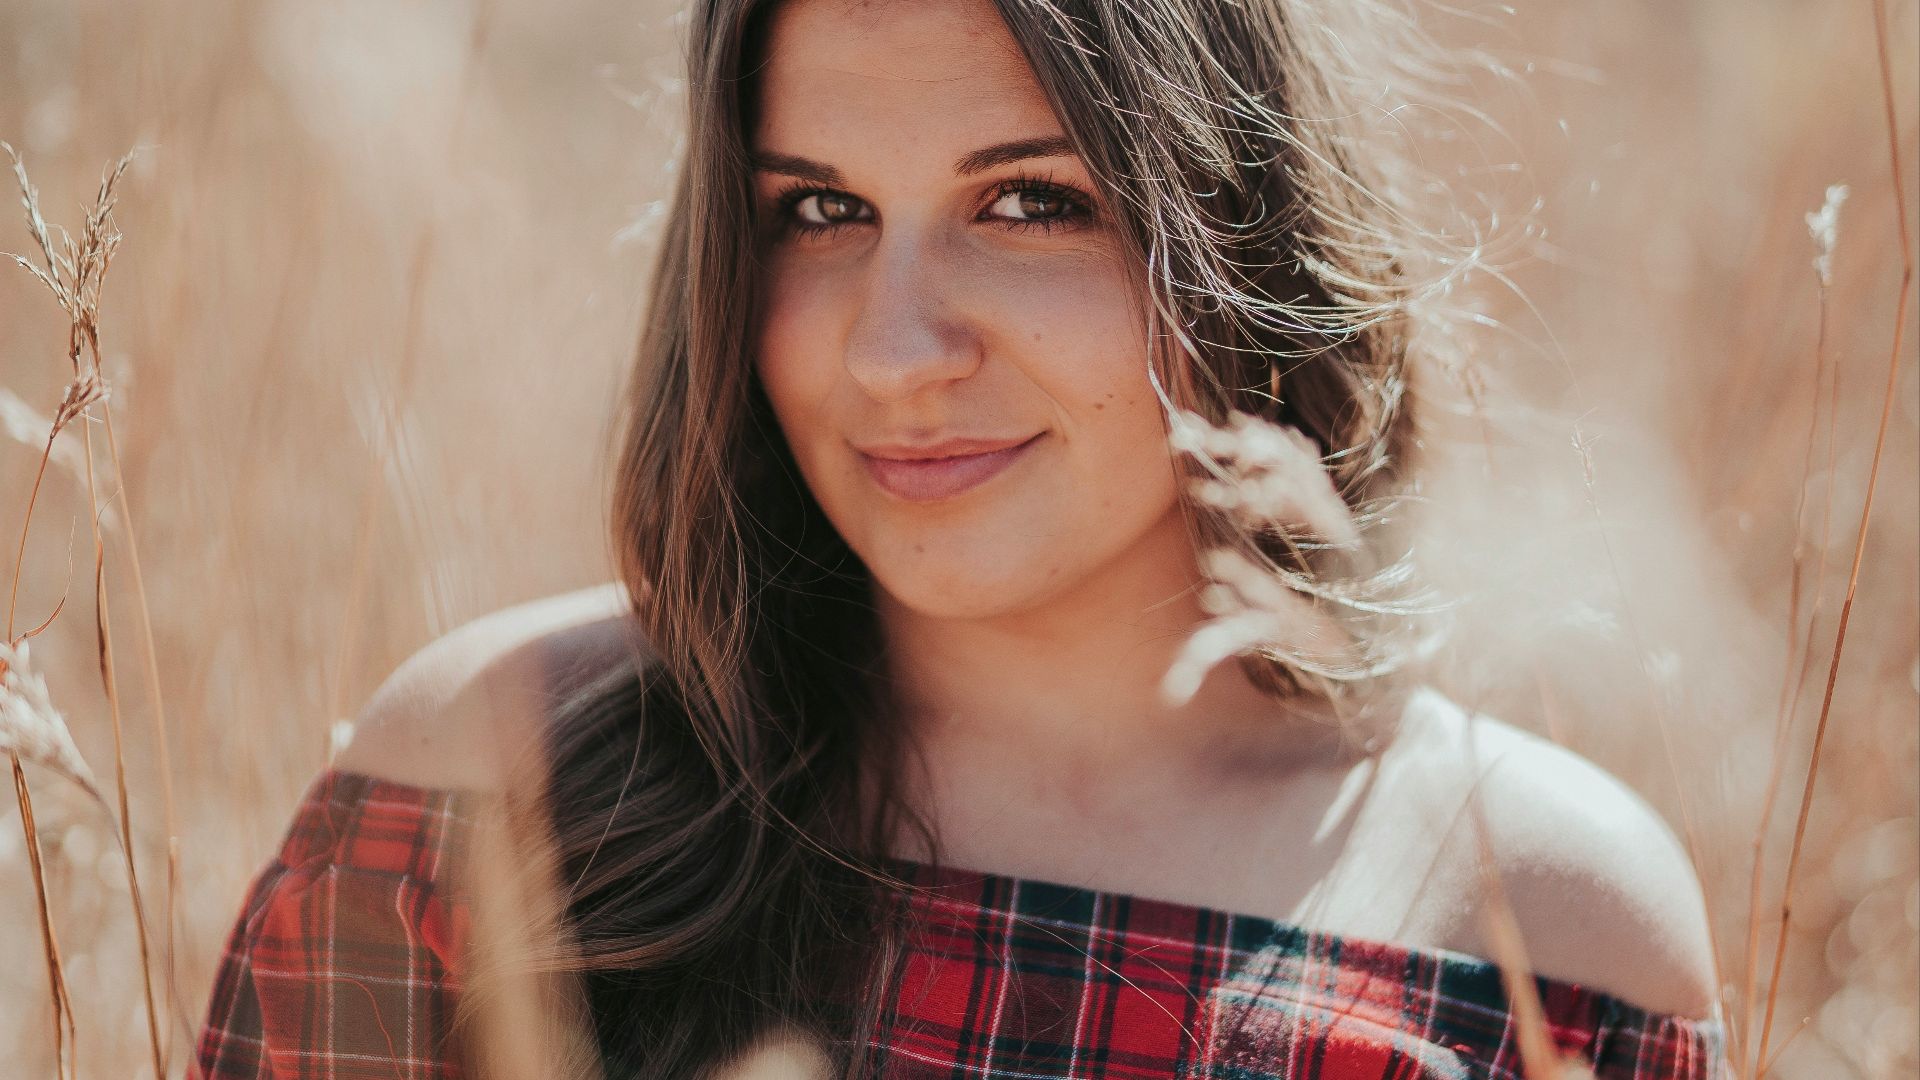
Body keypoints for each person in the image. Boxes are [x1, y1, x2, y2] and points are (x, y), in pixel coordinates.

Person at [193, 0, 1728, 1075]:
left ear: (1235, 228)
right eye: (816, 212)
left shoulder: (1540, 931)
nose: (893, 350)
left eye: (1030, 203)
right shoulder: (494, 781)